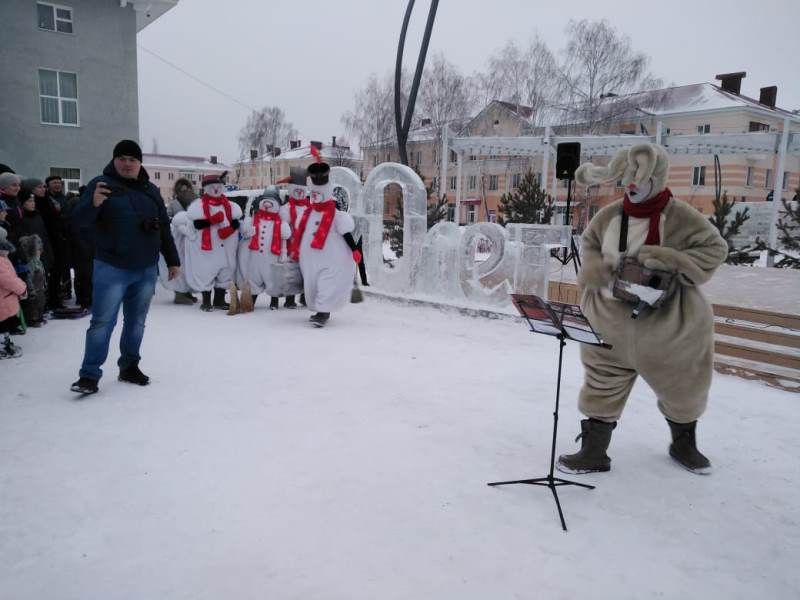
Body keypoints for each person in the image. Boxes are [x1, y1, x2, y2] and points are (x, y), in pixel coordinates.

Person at [557, 143, 727, 475]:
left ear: (657, 177)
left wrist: (672, 260)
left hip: (668, 328)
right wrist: (595, 269)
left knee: (683, 386)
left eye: (639, 180)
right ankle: (593, 451)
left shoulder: (680, 216)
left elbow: (714, 248)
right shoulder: (609, 215)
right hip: (610, 324)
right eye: (626, 181)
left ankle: (684, 443)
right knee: (601, 383)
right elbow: (590, 243)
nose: (631, 188)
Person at [69, 140, 180, 395]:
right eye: (123, 158)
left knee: (136, 322)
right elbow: (77, 224)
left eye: (133, 159)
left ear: (140, 163)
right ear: (114, 160)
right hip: (112, 267)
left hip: (145, 269)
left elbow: (162, 226)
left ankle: (129, 366)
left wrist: (172, 260)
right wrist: (92, 204)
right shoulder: (102, 184)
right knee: (102, 323)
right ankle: (89, 375)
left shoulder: (151, 189)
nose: (127, 164)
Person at [294, 161, 361, 327]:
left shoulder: (337, 216)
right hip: (311, 259)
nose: (314, 198)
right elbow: (300, 232)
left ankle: (323, 313)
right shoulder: (307, 214)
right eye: (313, 195)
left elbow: (346, 232)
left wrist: (354, 249)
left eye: (317, 195)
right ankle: (318, 309)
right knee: (313, 283)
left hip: (332, 258)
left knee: (327, 282)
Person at [0, 228, 26, 359]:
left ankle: (6, 342)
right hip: (2, 299)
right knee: (2, 323)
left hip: (4, 297)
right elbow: (7, 279)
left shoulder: (2, 257)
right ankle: (4, 346)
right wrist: (22, 288)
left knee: (4, 324)